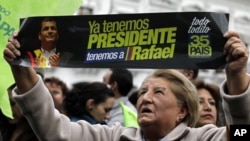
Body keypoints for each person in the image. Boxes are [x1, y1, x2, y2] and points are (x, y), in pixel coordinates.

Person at [3, 31, 250, 140]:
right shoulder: (113, 137)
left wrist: (237, 77)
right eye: (143, 92)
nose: (145, 98)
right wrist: (22, 71)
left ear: (183, 111)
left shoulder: (204, 138)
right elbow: (54, 131)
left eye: (158, 92)